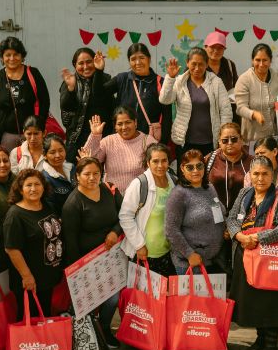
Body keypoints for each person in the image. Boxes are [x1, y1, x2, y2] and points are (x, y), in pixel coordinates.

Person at [228, 156, 278, 350]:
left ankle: (272, 347)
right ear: (250, 175)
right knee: (254, 301)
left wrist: (256, 238)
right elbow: (231, 219)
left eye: (265, 174)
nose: (260, 178)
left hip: (270, 257)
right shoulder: (244, 193)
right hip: (245, 255)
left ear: (273, 176)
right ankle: (259, 339)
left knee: (271, 302)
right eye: (255, 173)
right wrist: (240, 237)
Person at [61, 157, 125, 346]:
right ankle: (88, 340)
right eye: (86, 174)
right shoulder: (72, 204)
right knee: (87, 303)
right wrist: (78, 272)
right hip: (86, 262)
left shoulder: (109, 190)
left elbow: (124, 216)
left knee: (113, 298)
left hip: (111, 257)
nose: (92, 178)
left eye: (96, 173)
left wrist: (115, 232)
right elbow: (70, 241)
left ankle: (105, 329)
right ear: (77, 177)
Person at [3, 168, 65, 320]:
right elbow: (12, 249)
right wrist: (27, 276)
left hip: (48, 277)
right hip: (30, 281)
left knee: (45, 317)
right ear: (20, 189)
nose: (33, 189)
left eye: (37, 184)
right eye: (28, 185)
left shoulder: (47, 206)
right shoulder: (15, 215)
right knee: (29, 321)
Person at [165, 149, 228, 275]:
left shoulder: (210, 188)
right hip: (191, 264)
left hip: (214, 261)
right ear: (182, 169)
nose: (195, 171)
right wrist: (189, 254)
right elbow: (170, 230)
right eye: (190, 167)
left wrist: (226, 227)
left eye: (199, 166)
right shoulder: (179, 194)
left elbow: (219, 211)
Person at [118, 144, 176, 278]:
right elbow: (125, 216)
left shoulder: (173, 181)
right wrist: (139, 245)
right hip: (145, 253)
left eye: (164, 160)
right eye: (155, 161)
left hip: (167, 252)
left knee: (164, 295)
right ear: (148, 163)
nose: (160, 165)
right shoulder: (139, 184)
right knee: (145, 297)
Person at [161, 48, 232, 156]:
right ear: (187, 63)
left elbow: (226, 110)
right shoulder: (180, 81)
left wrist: (223, 137)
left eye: (201, 64)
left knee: (210, 172)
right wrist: (170, 78)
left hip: (210, 143)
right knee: (186, 172)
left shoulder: (216, 82)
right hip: (185, 142)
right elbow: (165, 100)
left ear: (207, 65)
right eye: (193, 64)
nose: (197, 68)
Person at [0, 36, 50, 150]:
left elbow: (45, 101)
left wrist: (39, 127)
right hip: (5, 135)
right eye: (8, 55)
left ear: (22, 56)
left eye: (16, 54)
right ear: (2, 57)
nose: (12, 58)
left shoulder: (33, 73)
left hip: (31, 135)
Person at [103, 43, 169, 144]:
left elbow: (167, 116)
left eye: (142, 57)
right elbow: (99, 94)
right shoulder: (122, 79)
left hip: (149, 141)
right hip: (123, 141)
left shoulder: (161, 82)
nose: (138, 62)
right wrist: (99, 71)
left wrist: (163, 144)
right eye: (133, 59)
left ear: (149, 59)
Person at [83, 107, 156, 194]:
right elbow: (88, 160)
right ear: (115, 126)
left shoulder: (148, 141)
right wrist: (95, 135)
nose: (124, 127)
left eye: (128, 122)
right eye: (120, 124)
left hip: (139, 198)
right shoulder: (109, 141)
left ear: (135, 122)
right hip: (112, 198)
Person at [60, 47, 115, 157]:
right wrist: (71, 88)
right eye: (81, 63)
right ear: (75, 65)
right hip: (77, 139)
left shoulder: (105, 79)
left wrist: (99, 72)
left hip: (103, 138)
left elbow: (102, 98)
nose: (85, 67)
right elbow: (65, 108)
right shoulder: (70, 80)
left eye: (89, 62)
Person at [234, 43, 278, 145]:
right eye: (257, 60)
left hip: (276, 136)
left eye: (265, 60)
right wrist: (253, 114)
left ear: (270, 61)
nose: (261, 64)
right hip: (252, 139)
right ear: (252, 60)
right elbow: (240, 108)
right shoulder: (244, 79)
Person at [206, 123, 253, 216]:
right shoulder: (209, 159)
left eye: (234, 139)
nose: (230, 143)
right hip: (214, 215)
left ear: (242, 139)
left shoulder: (252, 162)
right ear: (219, 142)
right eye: (225, 140)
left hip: (243, 215)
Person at [38, 133, 75, 214]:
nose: (58, 155)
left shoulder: (72, 168)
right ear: (44, 155)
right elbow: (51, 208)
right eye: (52, 152)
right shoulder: (45, 179)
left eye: (61, 150)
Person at [204, 30, 239, 100]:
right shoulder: (197, 64)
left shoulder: (230, 65)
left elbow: (236, 87)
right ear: (205, 47)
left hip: (228, 109)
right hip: (204, 110)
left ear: (224, 49)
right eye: (212, 47)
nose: (216, 51)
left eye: (220, 48)